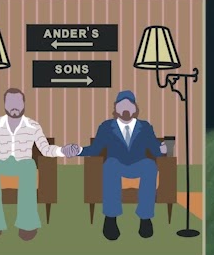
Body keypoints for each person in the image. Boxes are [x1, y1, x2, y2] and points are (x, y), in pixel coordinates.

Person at [0, 88, 73, 241]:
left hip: (24, 163)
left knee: (29, 167)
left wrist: (62, 151)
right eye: (10, 102)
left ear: (24, 103)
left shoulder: (33, 125)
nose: (14, 106)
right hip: (0, 162)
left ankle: (27, 224)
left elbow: (45, 148)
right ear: (4, 104)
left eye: (18, 102)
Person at [67, 90, 167, 241]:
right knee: (110, 165)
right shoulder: (107, 126)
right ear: (115, 108)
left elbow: (155, 150)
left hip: (139, 164)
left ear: (135, 108)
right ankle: (111, 218)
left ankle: (145, 218)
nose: (125, 109)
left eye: (129, 105)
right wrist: (78, 150)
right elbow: (95, 149)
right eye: (121, 105)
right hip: (117, 165)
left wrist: (163, 150)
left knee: (150, 165)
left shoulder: (145, 126)